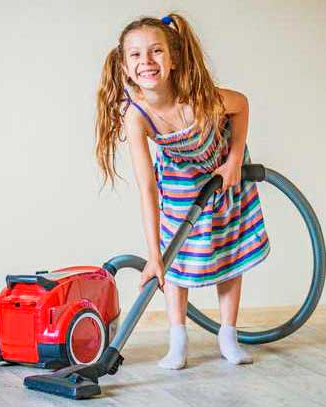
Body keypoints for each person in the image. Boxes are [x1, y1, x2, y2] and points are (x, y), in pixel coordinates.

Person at [95, 13, 270, 370]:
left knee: (228, 249)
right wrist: (153, 256)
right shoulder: (136, 114)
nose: (146, 61)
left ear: (173, 59)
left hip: (223, 170)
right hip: (179, 177)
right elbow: (146, 187)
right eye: (136, 55)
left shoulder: (200, 98)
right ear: (125, 68)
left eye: (156, 51)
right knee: (173, 257)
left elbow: (241, 105)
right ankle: (178, 340)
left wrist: (235, 161)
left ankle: (228, 336)